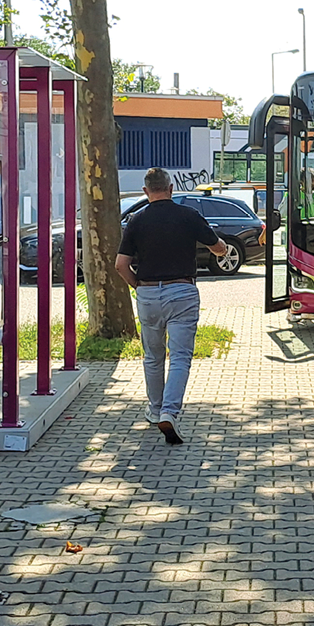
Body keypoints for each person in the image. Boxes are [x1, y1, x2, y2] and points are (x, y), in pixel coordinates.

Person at [115, 167, 230, 445]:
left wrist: (139, 287)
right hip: (182, 291)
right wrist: (223, 249)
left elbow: (121, 265)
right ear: (170, 189)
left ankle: (155, 410)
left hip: (148, 294)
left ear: (146, 191)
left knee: (152, 356)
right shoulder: (188, 215)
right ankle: (170, 411)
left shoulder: (136, 220)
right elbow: (217, 247)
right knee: (179, 357)